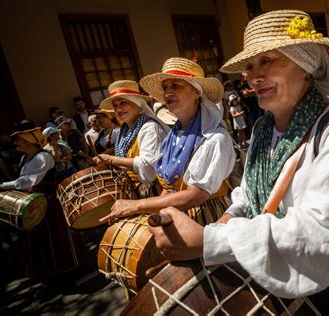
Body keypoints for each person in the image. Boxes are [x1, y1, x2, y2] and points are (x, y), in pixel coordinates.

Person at [144, 10, 329, 315]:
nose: (253, 76)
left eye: (267, 61)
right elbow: (247, 195)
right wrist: (228, 219)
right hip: (276, 281)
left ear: (306, 63)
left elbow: (326, 230)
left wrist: (211, 241)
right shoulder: (263, 130)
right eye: (249, 67)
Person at [99, 57, 235, 226]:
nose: (168, 92)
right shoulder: (174, 136)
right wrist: (154, 215)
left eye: (176, 85)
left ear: (196, 92)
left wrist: (138, 205)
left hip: (207, 217)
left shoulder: (213, 138)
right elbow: (169, 187)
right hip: (176, 213)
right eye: (165, 87)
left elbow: (196, 195)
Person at [0, 120, 82, 277]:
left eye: (19, 139)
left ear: (29, 140)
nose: (16, 143)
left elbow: (28, 181)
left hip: (48, 201)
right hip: (34, 201)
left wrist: (2, 186)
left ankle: (65, 272)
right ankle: (47, 273)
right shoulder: (25, 159)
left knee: (54, 235)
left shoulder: (43, 157)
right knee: (39, 239)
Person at [92, 80, 169, 198]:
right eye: (115, 105)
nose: (118, 109)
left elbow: (149, 166)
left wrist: (111, 160)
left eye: (123, 103)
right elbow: (128, 161)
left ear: (138, 103)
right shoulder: (125, 131)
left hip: (155, 193)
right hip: (134, 191)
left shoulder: (149, 128)